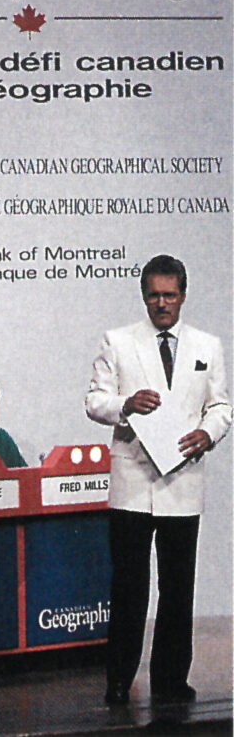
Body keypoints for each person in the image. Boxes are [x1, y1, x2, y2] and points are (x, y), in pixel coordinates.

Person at [85, 254, 231, 706]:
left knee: (178, 587)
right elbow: (94, 401)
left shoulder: (208, 345)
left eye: (170, 295)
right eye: (154, 295)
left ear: (183, 296)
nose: (162, 303)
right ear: (144, 296)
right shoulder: (119, 341)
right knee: (129, 587)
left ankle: (171, 679)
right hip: (132, 482)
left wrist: (208, 433)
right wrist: (126, 404)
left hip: (183, 483)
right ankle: (118, 680)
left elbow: (222, 407)